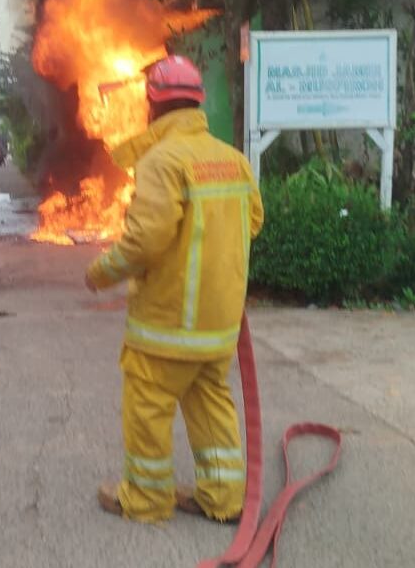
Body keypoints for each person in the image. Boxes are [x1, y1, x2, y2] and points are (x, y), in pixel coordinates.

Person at [85, 54, 264, 524]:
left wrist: (102, 272)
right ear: (198, 104)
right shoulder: (233, 160)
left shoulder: (161, 161)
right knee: (210, 405)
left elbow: (145, 239)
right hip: (219, 326)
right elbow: (254, 223)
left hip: (166, 324)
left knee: (147, 407)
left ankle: (145, 499)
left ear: (152, 107)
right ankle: (223, 499)